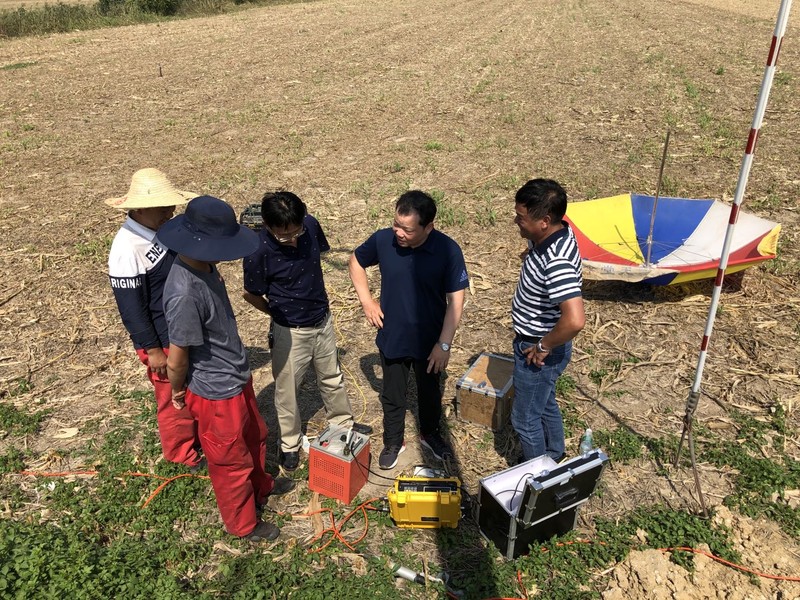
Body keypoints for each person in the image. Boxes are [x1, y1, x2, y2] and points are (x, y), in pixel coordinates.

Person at [159, 195, 295, 543]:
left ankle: (261, 486)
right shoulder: (184, 293)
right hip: (216, 393)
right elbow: (178, 357)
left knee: (255, 437)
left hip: (236, 377)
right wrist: (177, 391)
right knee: (229, 461)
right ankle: (243, 524)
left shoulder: (203, 265)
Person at [242, 191, 373, 472]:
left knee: (332, 376)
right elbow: (250, 294)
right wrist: (276, 314)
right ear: (266, 224)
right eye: (283, 235)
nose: (292, 239)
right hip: (290, 330)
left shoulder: (310, 225)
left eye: (296, 231)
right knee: (288, 390)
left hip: (322, 319)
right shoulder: (256, 252)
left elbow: (316, 252)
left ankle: (342, 424)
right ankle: (288, 444)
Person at [349, 190, 469, 470]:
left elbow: (456, 301)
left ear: (429, 227)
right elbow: (355, 261)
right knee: (393, 394)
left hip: (431, 340)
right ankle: (393, 440)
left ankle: (430, 433)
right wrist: (366, 301)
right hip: (393, 335)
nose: (398, 233)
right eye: (396, 224)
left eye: (407, 229)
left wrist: (444, 344)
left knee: (429, 391)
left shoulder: (447, 250)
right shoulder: (383, 240)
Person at [106, 168, 201, 469]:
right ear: (140, 209)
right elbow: (131, 309)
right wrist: (153, 349)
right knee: (172, 396)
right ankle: (181, 452)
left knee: (189, 387)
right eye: (162, 208)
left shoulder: (163, 230)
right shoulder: (126, 248)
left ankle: (197, 438)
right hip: (160, 339)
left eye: (171, 206)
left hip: (179, 327)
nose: (170, 212)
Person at [510, 179, 585, 462]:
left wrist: (543, 346)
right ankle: (554, 452)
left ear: (544, 221)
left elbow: (575, 320)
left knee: (525, 419)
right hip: (537, 343)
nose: (516, 221)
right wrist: (532, 254)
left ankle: (537, 476)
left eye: (521, 217)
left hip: (537, 350)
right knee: (544, 401)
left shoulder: (557, 261)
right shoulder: (551, 235)